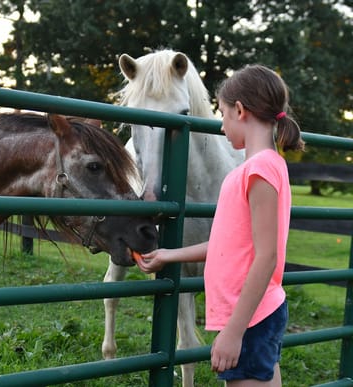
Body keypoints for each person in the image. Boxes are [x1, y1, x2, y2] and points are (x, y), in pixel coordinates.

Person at [136, 64, 305, 386]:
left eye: (223, 114)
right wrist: (168, 255)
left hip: (250, 318)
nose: (222, 125)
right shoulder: (260, 168)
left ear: (240, 110)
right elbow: (231, 245)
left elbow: (267, 256)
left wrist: (233, 332)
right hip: (250, 315)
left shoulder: (260, 171)